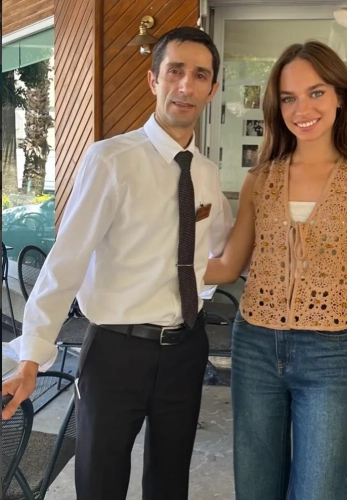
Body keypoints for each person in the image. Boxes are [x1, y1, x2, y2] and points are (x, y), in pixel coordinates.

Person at [2, 27, 233, 500]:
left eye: (199, 75)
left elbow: (222, 247)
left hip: (186, 349)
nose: (185, 85)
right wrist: (32, 355)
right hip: (116, 351)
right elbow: (67, 260)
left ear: (212, 89)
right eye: (175, 71)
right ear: (154, 80)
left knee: (170, 481)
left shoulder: (207, 174)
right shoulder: (111, 159)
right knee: (100, 480)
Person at [204, 40, 347, 500]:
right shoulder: (261, 178)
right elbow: (229, 266)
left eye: (316, 92)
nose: (303, 109)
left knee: (319, 489)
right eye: (289, 98)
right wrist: (160, 261)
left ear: (340, 95)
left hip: (326, 354)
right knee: (256, 487)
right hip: (254, 346)